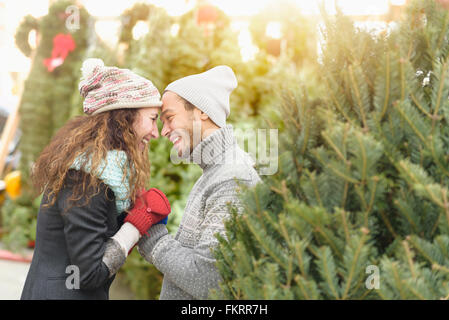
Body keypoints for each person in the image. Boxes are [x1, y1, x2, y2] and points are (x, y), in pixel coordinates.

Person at [20, 58, 170, 300]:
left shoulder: (101, 175)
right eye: (152, 118)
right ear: (125, 117)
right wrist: (134, 226)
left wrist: (132, 220)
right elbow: (89, 274)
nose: (155, 132)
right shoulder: (86, 179)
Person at [136, 66, 262, 299]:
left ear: (202, 111)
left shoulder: (233, 179)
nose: (164, 131)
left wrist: (150, 234)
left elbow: (207, 279)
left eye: (170, 118)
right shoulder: (213, 173)